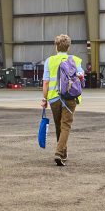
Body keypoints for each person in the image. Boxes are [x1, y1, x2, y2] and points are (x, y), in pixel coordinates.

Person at [41, 33, 84, 166]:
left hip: (54, 98)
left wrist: (44, 98)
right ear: (68, 47)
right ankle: (60, 153)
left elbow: (46, 82)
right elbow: (81, 76)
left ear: (56, 47)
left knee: (59, 126)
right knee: (66, 125)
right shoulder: (76, 60)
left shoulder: (49, 61)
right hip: (70, 97)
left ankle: (62, 154)